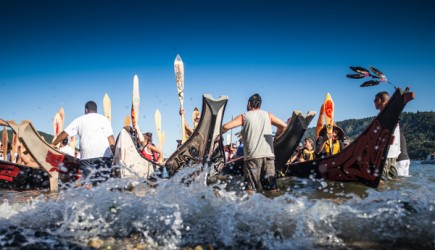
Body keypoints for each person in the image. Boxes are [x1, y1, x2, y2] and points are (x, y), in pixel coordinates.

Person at [222, 93, 287, 194]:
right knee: (271, 190)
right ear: (259, 104)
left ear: (249, 104)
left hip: (253, 158)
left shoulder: (245, 116)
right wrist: (277, 138)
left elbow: (226, 127)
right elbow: (284, 126)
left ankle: (249, 209)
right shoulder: (268, 115)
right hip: (269, 157)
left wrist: (218, 132)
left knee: (250, 190)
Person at [52, 101, 115, 185]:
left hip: (87, 157)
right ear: (96, 110)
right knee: (104, 184)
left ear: (86, 110)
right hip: (104, 156)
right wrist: (114, 154)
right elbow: (111, 138)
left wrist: (54, 144)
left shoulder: (79, 120)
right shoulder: (104, 119)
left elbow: (65, 133)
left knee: (88, 184)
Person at [374, 91, 400, 180]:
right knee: (394, 180)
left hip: (386, 153)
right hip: (393, 153)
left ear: (380, 100)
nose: (374, 102)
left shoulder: (387, 113)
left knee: (380, 180)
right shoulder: (390, 112)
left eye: (375, 100)